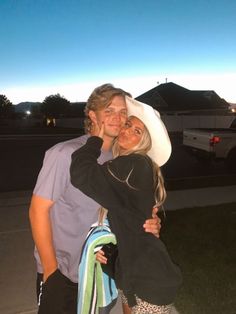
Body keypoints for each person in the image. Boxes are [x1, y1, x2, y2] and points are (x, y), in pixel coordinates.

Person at [29, 84, 161, 314]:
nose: (117, 118)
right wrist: (51, 270)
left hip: (102, 272)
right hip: (64, 274)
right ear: (92, 114)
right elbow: (37, 211)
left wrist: (151, 223)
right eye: (109, 110)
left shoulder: (122, 159)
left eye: (122, 112)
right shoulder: (64, 153)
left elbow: (128, 211)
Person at [70, 96, 183, 314]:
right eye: (128, 125)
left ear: (145, 143)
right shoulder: (132, 168)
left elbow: (81, 174)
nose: (127, 131)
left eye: (137, 132)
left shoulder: (134, 165)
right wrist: (114, 257)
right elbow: (132, 222)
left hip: (148, 280)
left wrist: (95, 139)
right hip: (135, 276)